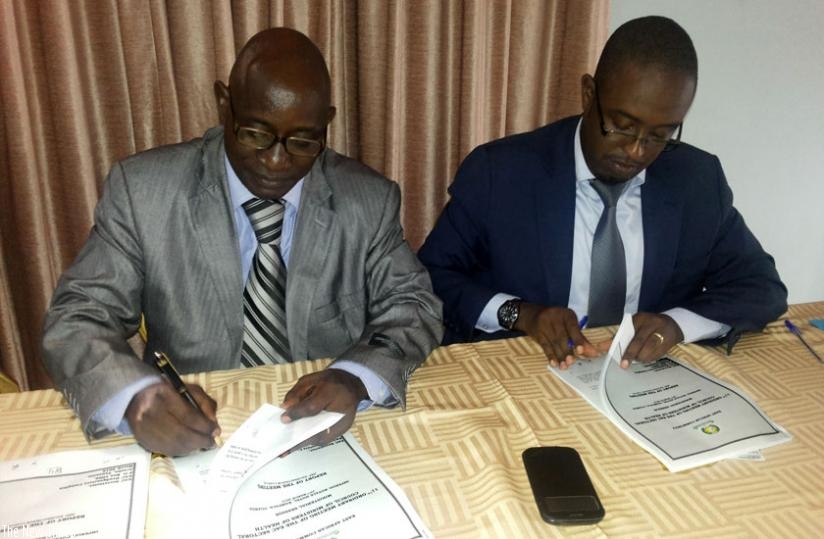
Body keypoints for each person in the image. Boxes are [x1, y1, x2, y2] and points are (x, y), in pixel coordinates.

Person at [41, 27, 443, 456]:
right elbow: (78, 317)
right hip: (190, 430)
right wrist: (135, 397)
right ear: (224, 104)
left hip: (321, 431)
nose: (276, 160)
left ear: (326, 124)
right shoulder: (144, 192)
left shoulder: (367, 200)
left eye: (303, 141)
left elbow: (413, 305)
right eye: (255, 133)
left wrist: (355, 376)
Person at [418, 16, 786, 370]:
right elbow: (431, 276)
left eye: (659, 135)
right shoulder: (501, 172)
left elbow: (760, 287)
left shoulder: (696, 180)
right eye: (622, 126)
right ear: (588, 94)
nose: (636, 151)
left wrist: (676, 324)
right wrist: (520, 314)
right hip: (524, 373)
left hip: (642, 378)